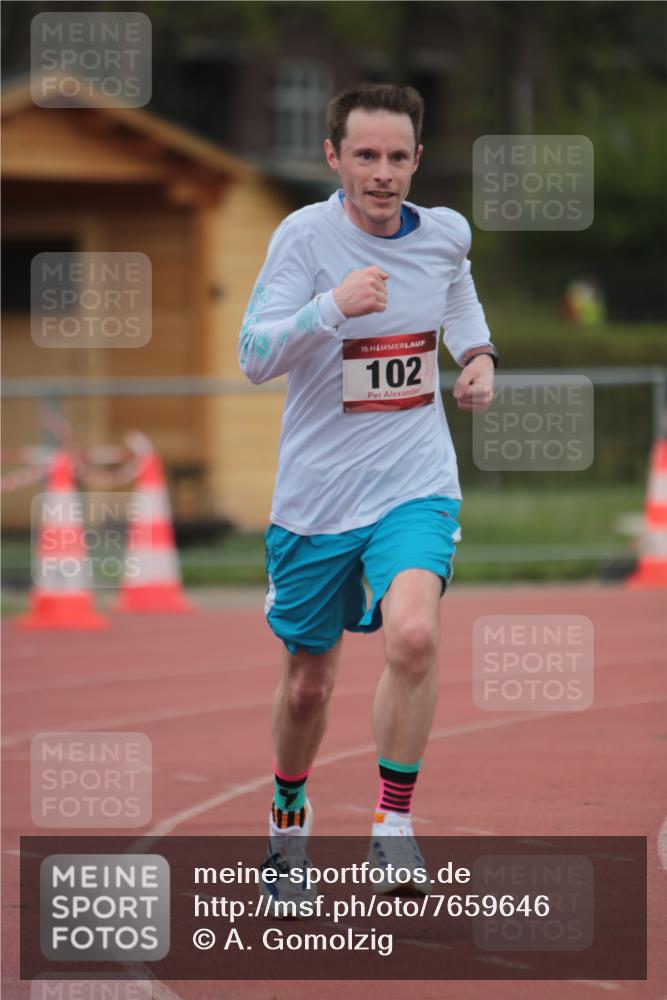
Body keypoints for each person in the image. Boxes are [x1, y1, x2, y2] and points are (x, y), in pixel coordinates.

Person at [238, 83, 497, 913]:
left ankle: (392, 824)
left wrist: (478, 352)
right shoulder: (303, 237)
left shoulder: (445, 232)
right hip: (315, 501)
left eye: (396, 158)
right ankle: (287, 816)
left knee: (413, 635)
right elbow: (252, 354)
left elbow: (453, 286)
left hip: (414, 481)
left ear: (417, 159)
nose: (381, 175)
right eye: (365, 157)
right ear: (333, 158)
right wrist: (329, 306)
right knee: (309, 682)